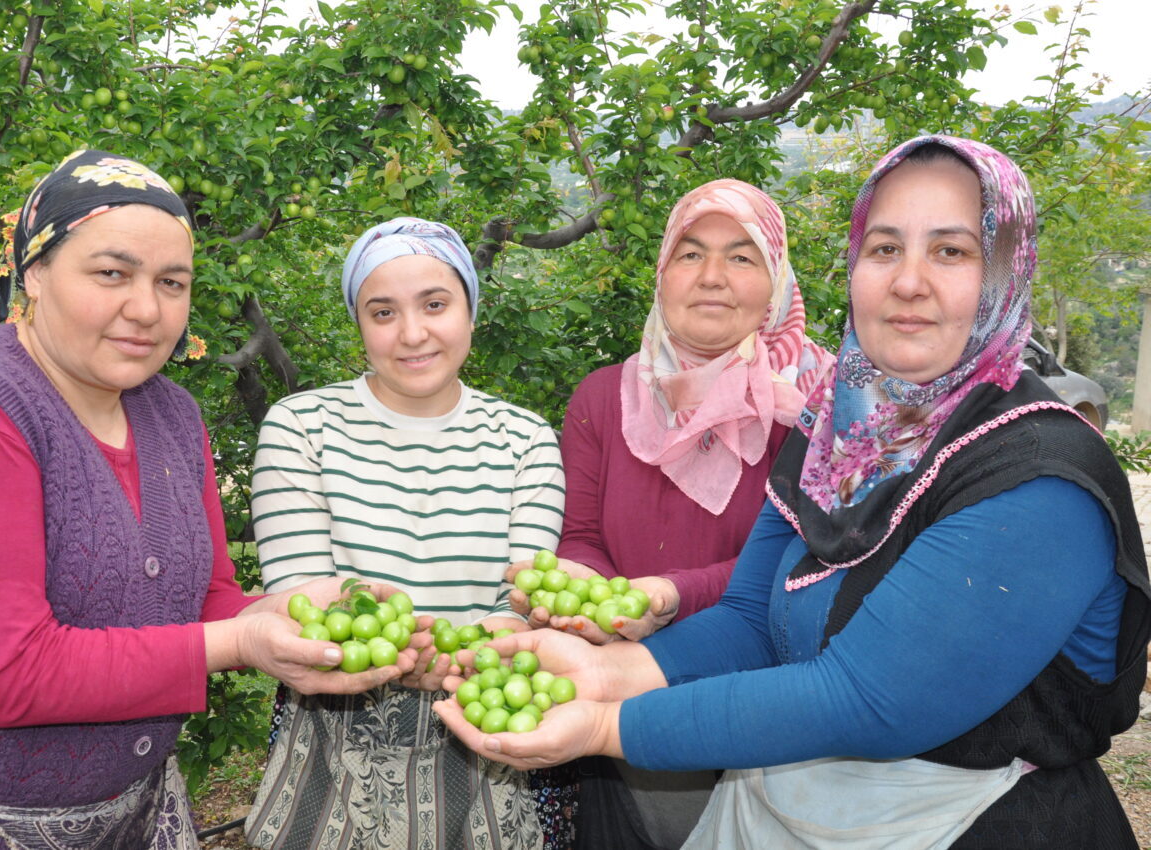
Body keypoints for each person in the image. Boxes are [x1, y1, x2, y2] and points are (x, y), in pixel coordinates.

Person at [438, 135, 1151, 848]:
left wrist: (602, 721)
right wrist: (603, 667)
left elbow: (869, 698)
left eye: (952, 251)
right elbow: (752, 619)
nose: (908, 281)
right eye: (884, 249)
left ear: (1006, 270)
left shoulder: (1040, 474)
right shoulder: (839, 430)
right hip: (796, 808)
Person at [0, 150, 408, 849]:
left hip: (135, 817)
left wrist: (287, 614)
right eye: (111, 274)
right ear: (34, 271)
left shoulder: (171, 415)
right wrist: (238, 641)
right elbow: (8, 675)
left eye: (172, 282)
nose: (147, 309)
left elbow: (207, 597)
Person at [505, 179, 832, 849]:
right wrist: (595, 595)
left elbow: (803, 562)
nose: (712, 277)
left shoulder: (817, 408)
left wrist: (671, 595)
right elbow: (584, 536)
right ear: (663, 272)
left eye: (742, 257)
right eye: (691, 254)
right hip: (622, 695)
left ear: (776, 282)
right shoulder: (604, 398)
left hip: (768, 713)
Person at [244, 217, 567, 849]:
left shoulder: (526, 439)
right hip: (335, 742)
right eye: (383, 311)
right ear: (359, 325)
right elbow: (304, 599)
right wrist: (380, 634)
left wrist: (463, 651)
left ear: (471, 313)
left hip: (484, 727)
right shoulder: (303, 426)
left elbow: (522, 602)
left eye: (436, 304)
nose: (413, 333)